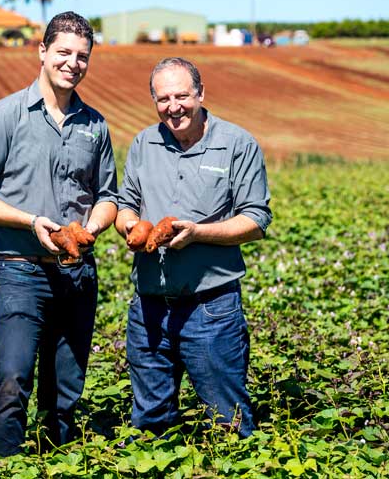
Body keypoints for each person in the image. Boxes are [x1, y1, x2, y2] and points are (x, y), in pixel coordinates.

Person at [0, 11, 119, 456]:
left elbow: (108, 195)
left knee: (65, 389)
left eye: (82, 56)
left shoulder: (95, 125)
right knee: (13, 378)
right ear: (43, 51)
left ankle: (56, 461)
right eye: (63, 52)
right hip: (20, 270)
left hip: (77, 273)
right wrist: (30, 222)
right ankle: (3, 465)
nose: (72, 63)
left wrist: (91, 227)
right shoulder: (3, 117)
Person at [116, 56, 272, 438]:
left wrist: (199, 233)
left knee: (227, 421)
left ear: (201, 93)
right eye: (163, 99)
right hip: (149, 308)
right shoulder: (144, 143)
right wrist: (132, 228)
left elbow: (256, 219)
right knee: (150, 422)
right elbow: (126, 204)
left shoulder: (236, 144)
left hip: (211, 309)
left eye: (182, 96)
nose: (174, 107)